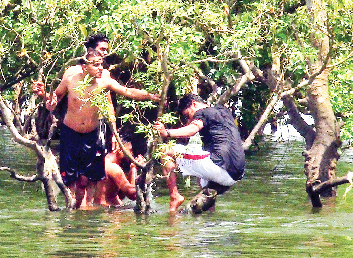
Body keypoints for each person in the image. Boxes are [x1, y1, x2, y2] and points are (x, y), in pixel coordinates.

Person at [32, 51, 159, 208]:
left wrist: (150, 95)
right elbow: (55, 97)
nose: (101, 69)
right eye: (96, 65)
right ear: (85, 67)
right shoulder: (71, 77)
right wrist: (44, 95)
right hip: (70, 134)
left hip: (92, 136)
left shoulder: (104, 80)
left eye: (102, 65)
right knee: (72, 183)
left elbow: (127, 91)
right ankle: (72, 213)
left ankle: (87, 218)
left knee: (89, 181)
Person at [155, 94, 245, 212]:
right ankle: (210, 209)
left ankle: (174, 196)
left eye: (187, 115)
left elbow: (192, 129)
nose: (189, 120)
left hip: (220, 167)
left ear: (194, 104)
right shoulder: (223, 111)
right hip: (237, 173)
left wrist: (166, 132)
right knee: (200, 154)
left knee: (165, 151)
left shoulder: (202, 112)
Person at [100, 133, 140, 207]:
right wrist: (134, 169)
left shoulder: (102, 162)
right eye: (130, 150)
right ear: (119, 149)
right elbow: (133, 195)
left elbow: (121, 193)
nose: (131, 154)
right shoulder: (114, 169)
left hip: (104, 209)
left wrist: (131, 170)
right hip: (110, 213)